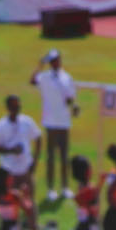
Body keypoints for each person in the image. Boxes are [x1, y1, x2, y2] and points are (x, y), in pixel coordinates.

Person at [0, 94, 42, 230]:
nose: (16, 109)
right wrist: (11, 150)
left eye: (18, 106)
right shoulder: (0, 126)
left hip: (25, 169)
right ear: (8, 108)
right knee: (12, 205)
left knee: (30, 203)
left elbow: (38, 137)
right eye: (13, 106)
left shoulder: (27, 122)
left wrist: (35, 161)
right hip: (9, 172)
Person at [30, 50, 79, 203]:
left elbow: (70, 97)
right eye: (52, 61)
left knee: (64, 156)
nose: (55, 63)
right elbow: (32, 81)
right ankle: (51, 189)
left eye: (56, 60)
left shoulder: (67, 77)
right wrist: (39, 65)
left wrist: (74, 108)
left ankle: (65, 187)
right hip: (50, 121)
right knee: (51, 156)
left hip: (64, 121)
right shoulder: (44, 77)